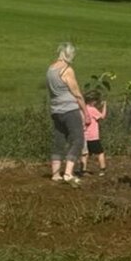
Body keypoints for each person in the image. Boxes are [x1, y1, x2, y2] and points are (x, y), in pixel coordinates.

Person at [47, 42, 89, 186]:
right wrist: (86, 112)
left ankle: (55, 174)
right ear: (68, 54)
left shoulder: (50, 69)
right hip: (69, 109)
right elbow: (76, 93)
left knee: (59, 141)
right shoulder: (67, 70)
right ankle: (68, 173)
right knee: (78, 140)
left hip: (55, 110)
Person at [82, 90, 107, 177]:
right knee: (100, 152)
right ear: (93, 101)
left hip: (84, 136)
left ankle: (83, 169)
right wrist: (104, 106)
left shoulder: (82, 109)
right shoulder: (92, 109)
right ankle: (102, 169)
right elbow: (102, 116)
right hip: (93, 136)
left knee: (85, 154)